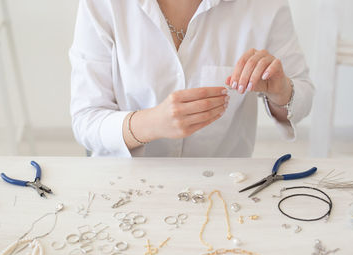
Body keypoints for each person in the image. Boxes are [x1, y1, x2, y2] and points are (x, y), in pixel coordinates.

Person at [70, 0, 314, 157]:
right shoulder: (102, 4)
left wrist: (280, 91)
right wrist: (152, 123)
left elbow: (302, 99)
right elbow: (86, 120)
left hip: (222, 188)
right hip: (124, 184)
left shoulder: (265, 7)